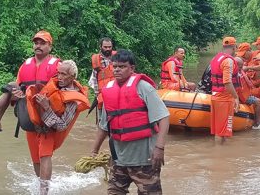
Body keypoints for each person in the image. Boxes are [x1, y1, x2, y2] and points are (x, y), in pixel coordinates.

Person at [90, 50, 170, 194]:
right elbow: (103, 127)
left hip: (145, 160)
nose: (117, 70)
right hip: (119, 160)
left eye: (122, 66)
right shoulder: (108, 91)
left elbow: (164, 117)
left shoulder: (144, 88)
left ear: (132, 68)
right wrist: (94, 151)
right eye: (114, 67)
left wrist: (160, 148)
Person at [0, 30, 60, 133]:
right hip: (28, 111)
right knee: (11, 87)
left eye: (43, 43)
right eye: (36, 43)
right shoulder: (25, 65)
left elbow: (63, 90)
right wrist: (17, 93)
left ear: (50, 47)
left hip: (46, 112)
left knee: (11, 85)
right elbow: (18, 88)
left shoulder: (58, 66)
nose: (38, 46)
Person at [25, 60, 90, 194]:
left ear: (72, 77)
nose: (59, 77)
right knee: (36, 160)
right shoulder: (53, 84)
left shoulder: (73, 99)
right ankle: (42, 186)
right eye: (58, 73)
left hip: (51, 131)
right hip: (36, 127)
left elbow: (62, 125)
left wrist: (47, 107)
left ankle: (44, 191)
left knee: (44, 156)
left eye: (64, 74)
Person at [210, 37, 240, 143]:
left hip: (215, 96)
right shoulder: (228, 61)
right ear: (234, 47)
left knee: (219, 131)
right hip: (224, 99)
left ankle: (219, 155)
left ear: (223, 46)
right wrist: (236, 97)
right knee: (222, 132)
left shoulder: (216, 58)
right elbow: (227, 83)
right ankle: (221, 157)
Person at [88, 37, 116, 123]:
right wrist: (98, 96)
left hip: (117, 95)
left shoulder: (118, 59)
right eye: (105, 47)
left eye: (109, 47)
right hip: (103, 97)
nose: (108, 49)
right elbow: (94, 82)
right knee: (102, 123)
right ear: (100, 47)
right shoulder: (97, 62)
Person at [234, 57, 260, 129]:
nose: (242, 68)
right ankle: (257, 123)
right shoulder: (234, 74)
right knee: (258, 102)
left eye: (242, 66)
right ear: (235, 65)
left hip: (245, 94)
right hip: (242, 97)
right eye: (240, 67)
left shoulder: (240, 71)